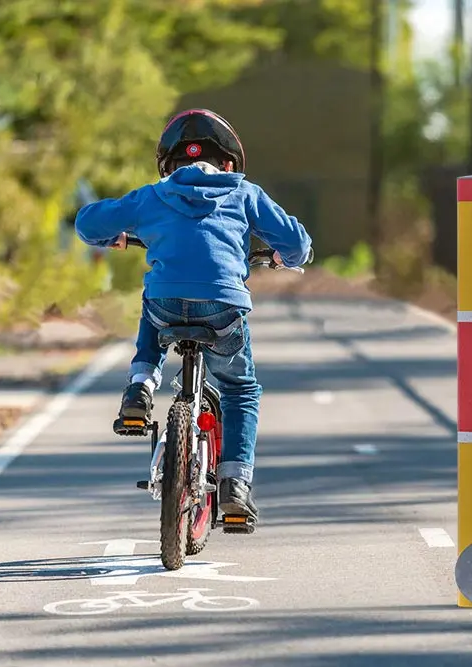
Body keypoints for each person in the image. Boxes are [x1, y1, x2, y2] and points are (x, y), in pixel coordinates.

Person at [73, 108, 313, 523]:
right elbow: (298, 243)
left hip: (166, 306)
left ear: (169, 165)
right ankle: (235, 486)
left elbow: (86, 223)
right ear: (229, 163)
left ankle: (140, 387)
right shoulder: (244, 192)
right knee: (240, 390)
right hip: (223, 308)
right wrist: (282, 256)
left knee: (154, 302)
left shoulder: (152, 195)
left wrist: (114, 236)